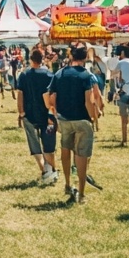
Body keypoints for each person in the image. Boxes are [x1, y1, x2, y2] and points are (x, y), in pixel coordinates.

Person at [46, 46, 103, 203]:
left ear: (71, 56)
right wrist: (93, 117)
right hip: (82, 120)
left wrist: (56, 114)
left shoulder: (59, 74)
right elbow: (89, 101)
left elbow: (51, 99)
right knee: (82, 155)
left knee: (66, 150)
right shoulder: (86, 76)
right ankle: (82, 192)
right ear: (84, 58)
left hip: (64, 119)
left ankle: (67, 183)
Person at [16, 49, 58, 185]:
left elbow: (20, 95)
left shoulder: (24, 75)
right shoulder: (49, 74)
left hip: (29, 114)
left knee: (34, 144)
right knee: (49, 145)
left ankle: (44, 170)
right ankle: (53, 170)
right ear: (42, 59)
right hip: (48, 115)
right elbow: (53, 95)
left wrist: (21, 112)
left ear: (30, 59)